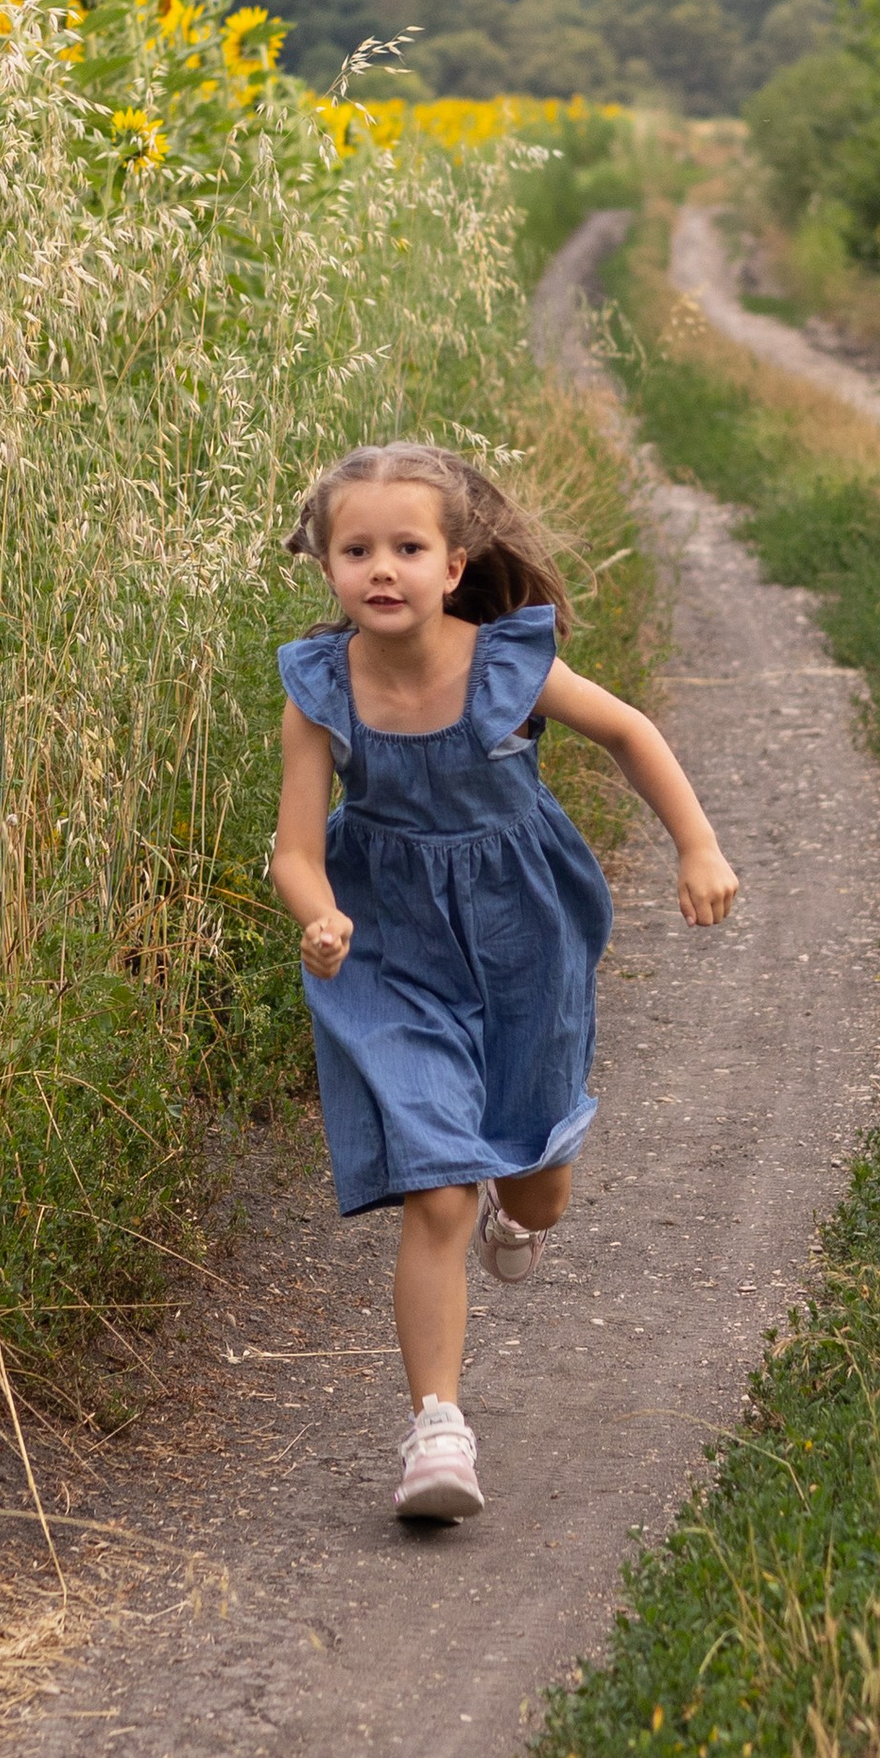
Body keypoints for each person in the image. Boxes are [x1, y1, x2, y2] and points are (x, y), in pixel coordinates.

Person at [269, 440, 739, 1524]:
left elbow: (628, 731)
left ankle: (515, 1211)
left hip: (523, 926)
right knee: (435, 1182)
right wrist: (319, 915)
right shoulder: (318, 688)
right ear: (325, 565)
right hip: (386, 940)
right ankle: (437, 1428)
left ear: (454, 562)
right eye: (355, 550)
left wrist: (697, 845)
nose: (380, 570)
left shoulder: (506, 662)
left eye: (406, 547)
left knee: (536, 1182)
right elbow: (295, 848)